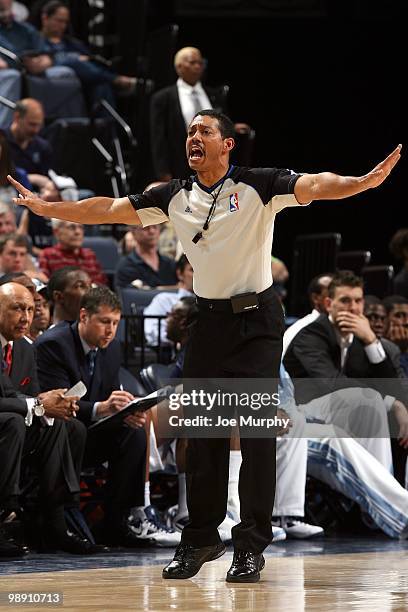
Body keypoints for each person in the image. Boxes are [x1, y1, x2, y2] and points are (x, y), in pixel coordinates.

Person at [7, 110, 401, 582]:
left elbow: (316, 184)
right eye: (190, 131)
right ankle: (201, 539)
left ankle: (251, 545)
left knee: (254, 433)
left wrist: (362, 183)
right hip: (208, 321)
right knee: (203, 432)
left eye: (204, 131)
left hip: (256, 321)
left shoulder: (259, 185)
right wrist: (51, 209)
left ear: (227, 144)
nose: (194, 137)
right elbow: (108, 209)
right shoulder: (173, 195)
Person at [150, 46, 250, 181]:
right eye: (192, 63)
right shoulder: (163, 98)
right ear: (179, 67)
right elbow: (158, 138)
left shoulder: (214, 95)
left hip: (215, 164)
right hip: (180, 166)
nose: (197, 66)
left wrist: (232, 127)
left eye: (200, 63)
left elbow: (222, 122)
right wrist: (163, 172)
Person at [39, 0, 136, 111]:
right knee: (75, 61)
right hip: (55, 75)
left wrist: (85, 59)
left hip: (84, 79)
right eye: (59, 21)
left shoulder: (72, 43)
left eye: (65, 22)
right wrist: (75, 59)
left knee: (101, 86)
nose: (63, 26)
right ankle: (117, 81)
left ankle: (106, 126)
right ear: (45, 18)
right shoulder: (37, 40)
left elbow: (90, 59)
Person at [38, 219, 108, 285]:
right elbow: (45, 287)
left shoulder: (90, 254)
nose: (78, 232)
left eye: (81, 227)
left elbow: (102, 286)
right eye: (71, 227)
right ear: (56, 232)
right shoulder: (47, 255)